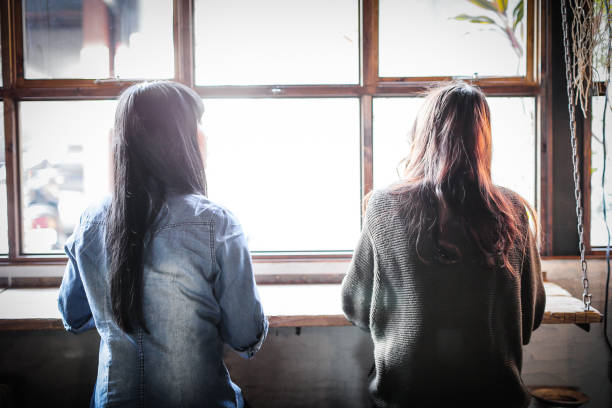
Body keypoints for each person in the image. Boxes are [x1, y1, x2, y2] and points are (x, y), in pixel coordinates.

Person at [58, 81, 267, 408]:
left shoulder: (91, 220)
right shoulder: (216, 223)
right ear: (182, 140)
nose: (205, 137)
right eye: (197, 127)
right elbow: (245, 336)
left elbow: (74, 316)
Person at [342, 82, 545, 408]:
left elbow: (356, 305)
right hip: (495, 397)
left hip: (409, 397)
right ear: (484, 138)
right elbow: (530, 316)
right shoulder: (512, 209)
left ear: (423, 135)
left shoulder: (384, 205)